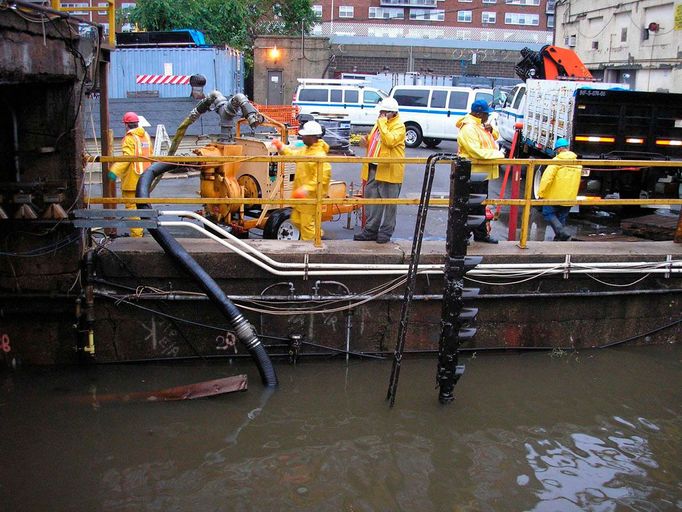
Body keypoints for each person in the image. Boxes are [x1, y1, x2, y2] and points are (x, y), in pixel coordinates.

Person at [353, 97, 406, 244]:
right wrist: (366, 140)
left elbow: (389, 141)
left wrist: (382, 123)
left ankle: (386, 232)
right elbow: (375, 140)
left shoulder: (399, 126)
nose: (380, 115)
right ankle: (370, 230)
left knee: (389, 204)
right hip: (373, 167)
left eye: (383, 112)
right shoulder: (379, 124)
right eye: (380, 112)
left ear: (392, 113)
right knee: (372, 202)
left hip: (389, 169)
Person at [456, 99, 505, 244]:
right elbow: (476, 151)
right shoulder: (469, 128)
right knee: (473, 206)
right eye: (485, 114)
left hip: (480, 173)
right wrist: (499, 155)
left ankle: (479, 234)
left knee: (479, 205)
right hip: (473, 173)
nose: (487, 117)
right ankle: (464, 235)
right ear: (478, 113)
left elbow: (491, 138)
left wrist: (491, 130)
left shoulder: (479, 125)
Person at [272, 121, 331, 241]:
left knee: (307, 227)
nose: (302, 137)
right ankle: (316, 235)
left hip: (310, 200)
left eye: (304, 135)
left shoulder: (319, 155)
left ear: (313, 137)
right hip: (301, 200)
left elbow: (323, 177)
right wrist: (281, 147)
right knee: (297, 221)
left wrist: (305, 189)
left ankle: (311, 250)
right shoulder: (306, 150)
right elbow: (293, 155)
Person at [108, 112, 152, 238]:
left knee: (132, 208)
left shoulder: (130, 138)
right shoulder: (146, 136)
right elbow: (151, 153)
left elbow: (127, 158)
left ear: (126, 125)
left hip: (132, 179)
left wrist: (113, 171)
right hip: (145, 178)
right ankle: (143, 231)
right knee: (143, 206)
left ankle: (136, 235)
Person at [537, 138, 582, 241]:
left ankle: (561, 232)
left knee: (548, 213)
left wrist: (541, 193)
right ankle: (559, 238)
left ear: (559, 149)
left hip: (554, 196)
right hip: (570, 197)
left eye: (556, 150)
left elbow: (547, 178)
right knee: (562, 217)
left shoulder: (556, 161)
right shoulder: (577, 162)